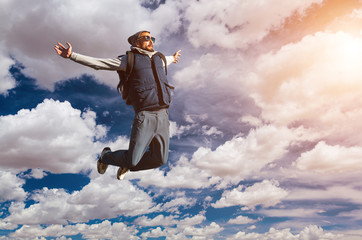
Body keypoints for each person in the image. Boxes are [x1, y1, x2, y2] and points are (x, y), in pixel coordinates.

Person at [54, 31, 181, 180]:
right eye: (146, 38)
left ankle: (126, 164)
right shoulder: (129, 60)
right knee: (133, 159)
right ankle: (106, 157)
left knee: (160, 159)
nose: (151, 41)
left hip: (163, 115)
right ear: (135, 42)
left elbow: (168, 59)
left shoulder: (159, 58)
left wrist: (173, 57)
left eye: (152, 38)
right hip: (145, 115)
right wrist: (72, 56)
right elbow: (99, 64)